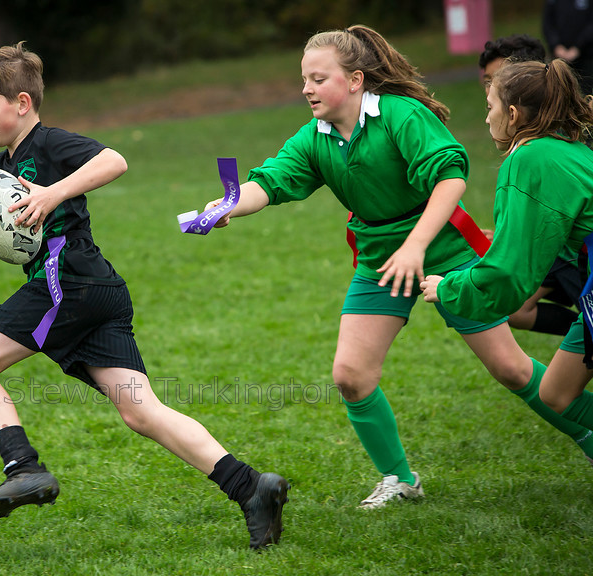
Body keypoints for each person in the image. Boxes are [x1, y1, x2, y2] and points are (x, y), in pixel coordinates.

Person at [198, 25, 593, 509]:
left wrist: (415, 246)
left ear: (356, 80)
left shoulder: (401, 114)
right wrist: (229, 205)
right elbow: (273, 179)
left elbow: (451, 178)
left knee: (511, 369)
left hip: (444, 249)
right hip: (380, 261)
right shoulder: (316, 137)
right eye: (305, 79)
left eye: (318, 79)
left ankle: (588, 439)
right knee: (351, 374)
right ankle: (400, 479)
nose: (306, 89)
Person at [0, 42, 289, 550]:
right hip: (95, 288)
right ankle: (251, 487)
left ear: (22, 103)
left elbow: (115, 160)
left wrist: (53, 192)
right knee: (140, 411)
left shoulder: (49, 144)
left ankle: (24, 468)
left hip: (68, 281)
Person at [421, 58, 593, 462]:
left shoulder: (528, 159)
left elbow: (511, 273)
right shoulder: (568, 148)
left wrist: (449, 287)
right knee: (554, 392)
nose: (486, 119)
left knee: (557, 393)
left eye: (490, 107)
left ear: (512, 114)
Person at [477, 34, 583, 335]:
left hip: (567, 256)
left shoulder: (533, 153)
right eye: (487, 80)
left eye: (496, 79)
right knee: (555, 386)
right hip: (564, 253)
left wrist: (449, 288)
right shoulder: (555, 143)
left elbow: (507, 270)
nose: (489, 87)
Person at [543, 0, 593, 95]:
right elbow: (547, 24)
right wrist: (556, 46)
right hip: (559, 57)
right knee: (559, 92)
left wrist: (578, 47)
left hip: (586, 57)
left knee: (585, 92)